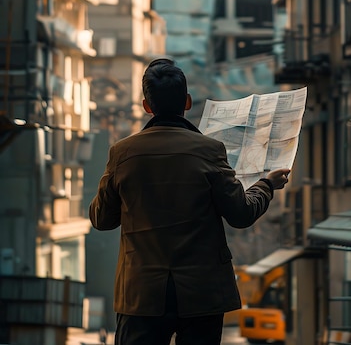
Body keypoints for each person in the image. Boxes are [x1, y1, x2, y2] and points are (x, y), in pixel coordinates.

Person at [89, 58, 290, 345]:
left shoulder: (122, 153)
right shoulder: (209, 151)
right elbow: (241, 214)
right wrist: (267, 185)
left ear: (147, 106)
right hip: (201, 294)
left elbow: (101, 219)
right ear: (187, 102)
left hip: (141, 294)